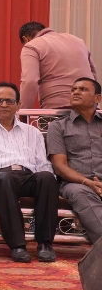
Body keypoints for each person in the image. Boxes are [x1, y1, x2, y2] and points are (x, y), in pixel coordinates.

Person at [0, 81, 58, 263]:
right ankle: (17, 245)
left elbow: (42, 163)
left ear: (18, 105)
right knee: (5, 178)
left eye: (9, 101)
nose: (4, 105)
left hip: (26, 176)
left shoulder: (32, 132)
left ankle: (45, 244)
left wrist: (51, 180)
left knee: (47, 177)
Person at [47, 77, 102, 244]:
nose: (76, 92)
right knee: (81, 194)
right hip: (76, 184)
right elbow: (60, 166)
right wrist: (87, 182)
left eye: (83, 89)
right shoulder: (58, 126)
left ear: (97, 98)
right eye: (73, 90)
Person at [19, 22, 97, 109]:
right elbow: (93, 73)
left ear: (25, 39)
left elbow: (30, 81)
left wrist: (22, 112)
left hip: (58, 109)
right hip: (90, 108)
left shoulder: (31, 46)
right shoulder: (78, 41)